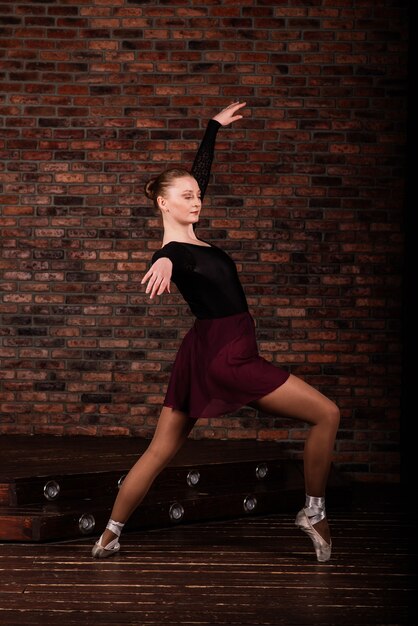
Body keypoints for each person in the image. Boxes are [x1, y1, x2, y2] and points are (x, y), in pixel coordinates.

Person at [92, 102, 340, 562]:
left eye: (198, 194)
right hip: (229, 354)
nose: (197, 199)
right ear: (163, 203)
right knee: (326, 414)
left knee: (160, 448)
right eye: (186, 196)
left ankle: (109, 534)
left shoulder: (190, 232)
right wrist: (161, 262)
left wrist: (212, 130)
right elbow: (167, 259)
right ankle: (313, 510)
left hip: (202, 352)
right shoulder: (175, 250)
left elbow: (198, 174)